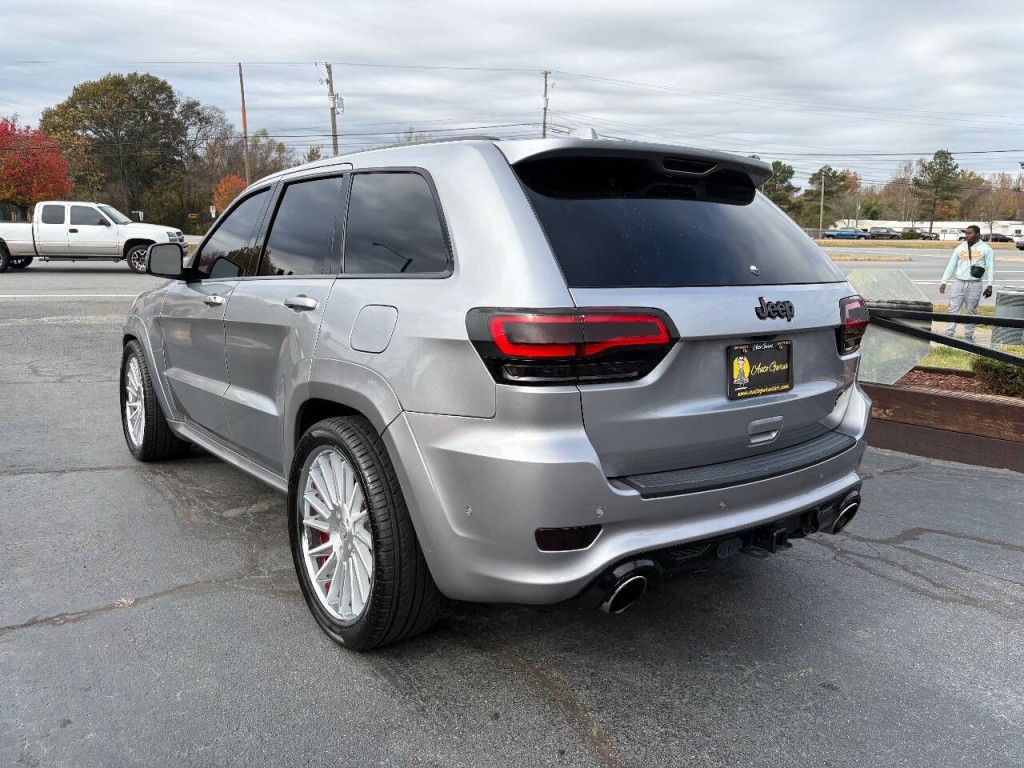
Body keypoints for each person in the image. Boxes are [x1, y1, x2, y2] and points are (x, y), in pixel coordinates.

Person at [939, 225, 994, 344]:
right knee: (953, 309)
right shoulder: (960, 248)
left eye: (970, 233)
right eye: (966, 233)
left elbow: (990, 267)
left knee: (971, 311)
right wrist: (944, 281)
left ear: (978, 234)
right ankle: (949, 335)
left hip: (975, 284)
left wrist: (990, 285)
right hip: (959, 282)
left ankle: (969, 336)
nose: (967, 235)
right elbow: (951, 266)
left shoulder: (986, 249)